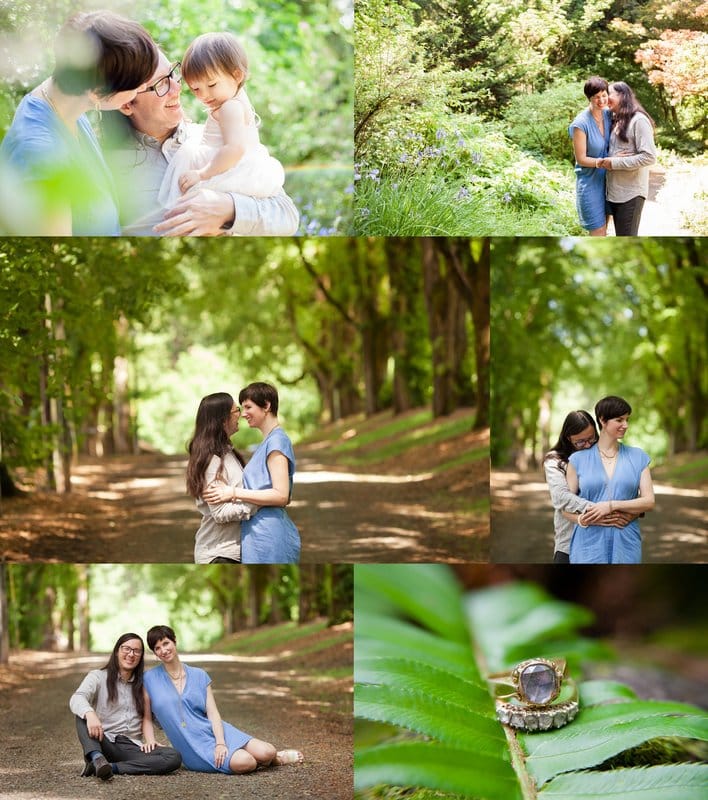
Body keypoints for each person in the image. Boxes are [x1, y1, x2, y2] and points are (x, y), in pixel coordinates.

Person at [102, 49, 299, 236]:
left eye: (172, 74)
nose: (177, 88)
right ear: (126, 103)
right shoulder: (107, 166)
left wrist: (229, 208)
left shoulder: (215, 141)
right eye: (161, 83)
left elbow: (287, 216)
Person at [0, 11, 157, 235]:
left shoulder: (66, 102)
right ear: (97, 91)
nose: (142, 89)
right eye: (136, 85)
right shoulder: (41, 157)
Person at [143, 625, 304, 774]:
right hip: (193, 746)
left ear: (174, 642)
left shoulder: (199, 675)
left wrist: (220, 742)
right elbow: (146, 717)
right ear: (155, 653)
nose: (163, 650)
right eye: (157, 648)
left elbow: (213, 713)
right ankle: (259, 760)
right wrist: (150, 741)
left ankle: (274, 759)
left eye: (165, 643)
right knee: (246, 762)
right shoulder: (149, 679)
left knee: (268, 751)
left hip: (215, 731)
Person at [158, 32, 284, 209]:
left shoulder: (230, 108)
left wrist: (202, 174)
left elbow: (235, 149)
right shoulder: (236, 96)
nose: (204, 95)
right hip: (229, 162)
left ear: (237, 75)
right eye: (195, 88)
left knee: (190, 203)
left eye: (211, 85)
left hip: (224, 167)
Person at [203, 382, 300, 563]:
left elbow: (281, 495)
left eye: (248, 407)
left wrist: (232, 492)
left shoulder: (277, 442)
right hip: (256, 535)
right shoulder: (267, 442)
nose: (243, 413)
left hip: (269, 534)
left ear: (266, 405)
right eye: (242, 408)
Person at [69, 632, 181, 780]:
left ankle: (111, 768)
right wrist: (90, 714)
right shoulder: (98, 676)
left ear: (141, 656)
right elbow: (77, 698)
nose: (131, 654)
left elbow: (160, 718)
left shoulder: (144, 685)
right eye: (126, 649)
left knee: (173, 757)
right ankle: (97, 758)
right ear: (117, 651)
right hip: (105, 741)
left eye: (136, 651)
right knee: (82, 715)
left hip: (132, 747)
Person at [566, 395, 655, 563]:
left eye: (627, 419)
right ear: (602, 420)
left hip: (627, 541)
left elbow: (649, 501)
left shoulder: (638, 457)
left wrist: (611, 506)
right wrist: (582, 519)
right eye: (619, 420)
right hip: (588, 544)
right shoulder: (577, 460)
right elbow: (565, 507)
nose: (625, 425)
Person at [544, 409, 639, 563]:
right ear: (568, 438)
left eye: (591, 439)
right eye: (580, 442)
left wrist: (626, 510)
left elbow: (627, 492)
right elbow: (560, 498)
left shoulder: (607, 453)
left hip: (608, 542)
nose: (587, 445)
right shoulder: (555, 461)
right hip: (569, 542)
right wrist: (601, 510)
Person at [186, 392, 259, 564]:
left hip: (231, 551)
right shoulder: (212, 460)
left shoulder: (227, 452)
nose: (240, 415)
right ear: (222, 419)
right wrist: (260, 500)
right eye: (236, 411)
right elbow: (219, 513)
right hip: (219, 554)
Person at [598, 81, 656, 236]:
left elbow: (649, 157)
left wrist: (614, 162)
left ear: (622, 96)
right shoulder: (615, 120)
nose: (605, 98)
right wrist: (612, 159)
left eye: (608, 94)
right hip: (613, 192)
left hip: (631, 194)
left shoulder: (639, 120)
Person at [568, 76, 612, 236]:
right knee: (598, 230)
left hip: (608, 182)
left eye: (604, 95)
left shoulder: (609, 115)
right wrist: (602, 162)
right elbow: (581, 159)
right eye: (596, 97)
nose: (601, 100)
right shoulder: (580, 124)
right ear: (589, 98)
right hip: (589, 182)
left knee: (605, 229)